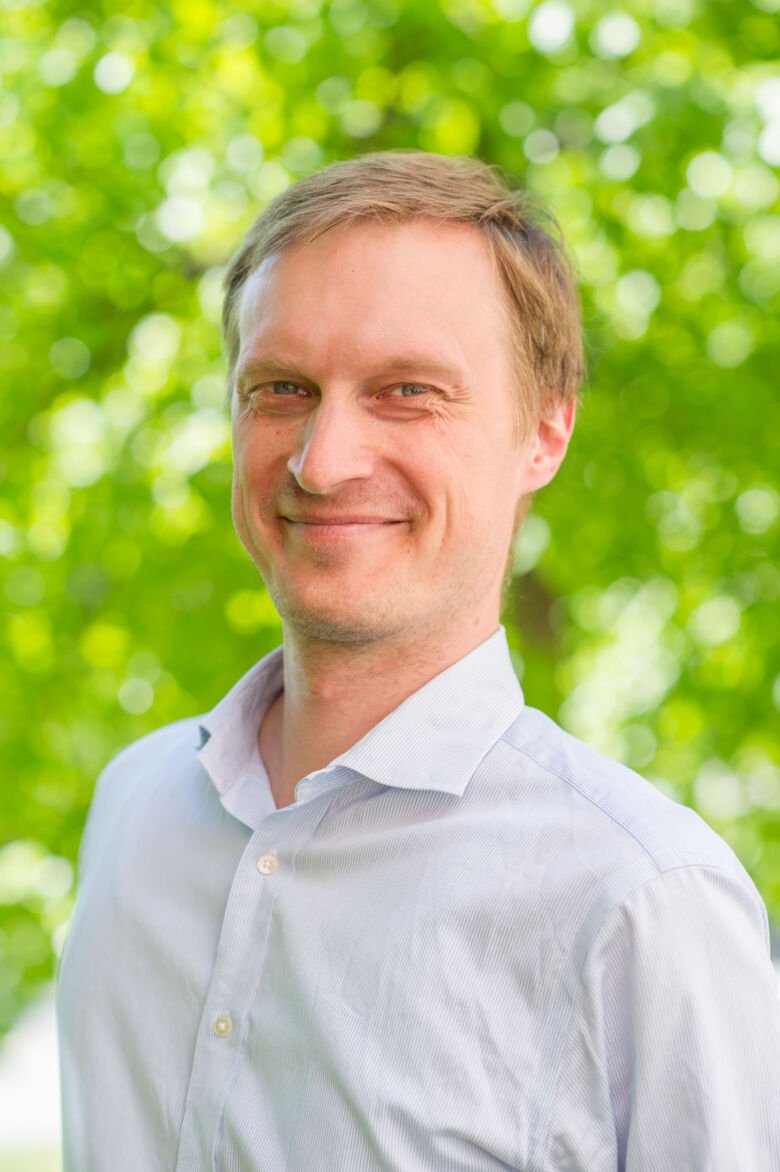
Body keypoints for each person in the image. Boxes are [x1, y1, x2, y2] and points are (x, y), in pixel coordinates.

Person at [56, 151, 780, 1171]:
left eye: (407, 390)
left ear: (545, 431)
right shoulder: (135, 809)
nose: (322, 460)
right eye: (281, 388)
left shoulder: (640, 902)